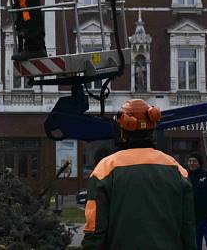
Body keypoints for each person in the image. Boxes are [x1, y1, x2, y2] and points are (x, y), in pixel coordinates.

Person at [82, 99, 195, 250]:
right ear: (153, 129)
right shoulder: (177, 169)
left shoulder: (104, 170)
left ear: (122, 131)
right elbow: (188, 228)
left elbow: (94, 231)